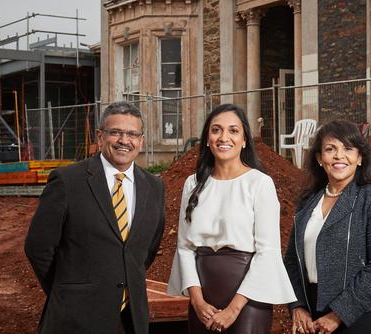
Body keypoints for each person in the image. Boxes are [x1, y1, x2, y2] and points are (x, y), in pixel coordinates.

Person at [25, 101, 165, 334]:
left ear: (141, 140)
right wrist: (67, 291)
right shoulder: (67, 181)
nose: (124, 140)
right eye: (115, 132)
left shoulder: (154, 187)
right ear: (100, 137)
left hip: (130, 319)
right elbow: (38, 247)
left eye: (132, 134)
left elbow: (146, 250)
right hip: (76, 318)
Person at [167, 103, 296, 333]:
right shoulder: (192, 184)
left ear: (245, 140)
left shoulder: (260, 184)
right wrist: (197, 301)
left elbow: (268, 251)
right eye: (216, 130)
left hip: (247, 298)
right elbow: (184, 247)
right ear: (207, 138)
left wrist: (234, 309)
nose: (223, 137)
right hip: (202, 296)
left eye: (233, 130)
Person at [283, 120, 371, 334]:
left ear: (360, 157)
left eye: (348, 148)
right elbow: (291, 260)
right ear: (319, 158)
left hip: (359, 313)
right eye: (330, 149)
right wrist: (297, 305)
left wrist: (339, 314)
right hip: (311, 313)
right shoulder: (307, 202)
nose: (339, 156)